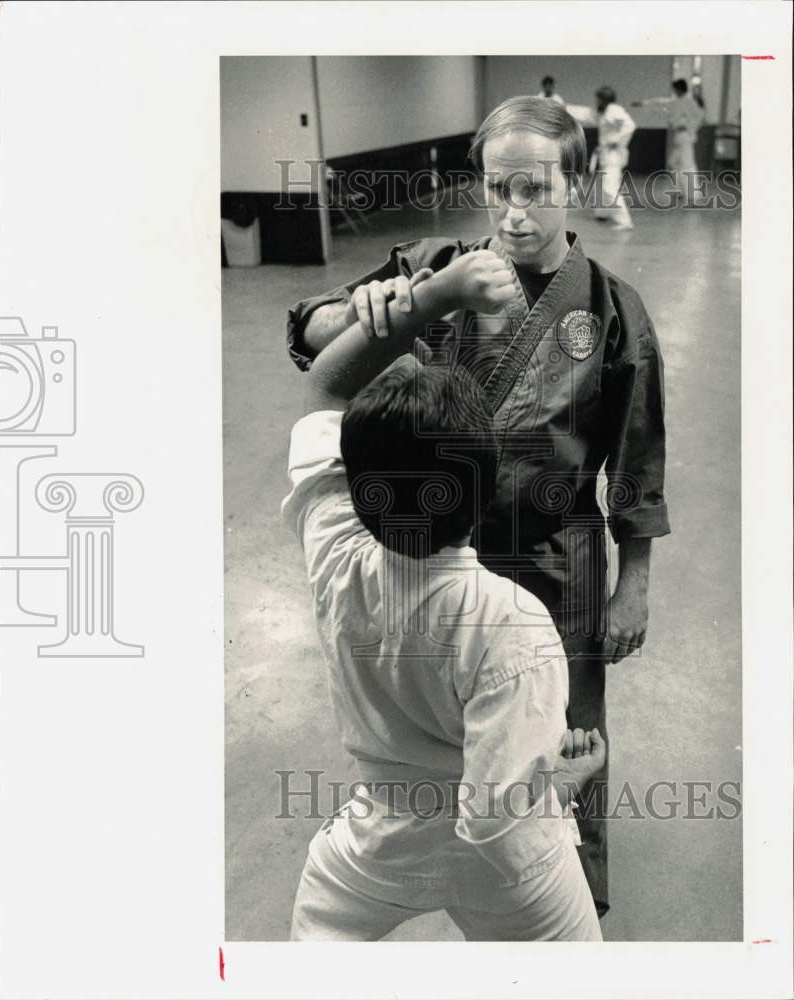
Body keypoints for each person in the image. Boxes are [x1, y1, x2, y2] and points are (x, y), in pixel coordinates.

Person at [286, 95, 671, 918]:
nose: (515, 212)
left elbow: (638, 456)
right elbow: (312, 335)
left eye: (535, 189)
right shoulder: (438, 263)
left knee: (567, 728)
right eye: (499, 190)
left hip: (557, 560)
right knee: (441, 720)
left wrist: (634, 575)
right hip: (436, 552)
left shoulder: (610, 308)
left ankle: (570, 892)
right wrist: (369, 310)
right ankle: (452, 866)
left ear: (574, 184)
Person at [283, 264, 607, 940]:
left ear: (356, 486)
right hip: (502, 872)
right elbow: (497, 824)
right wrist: (567, 781)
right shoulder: (512, 623)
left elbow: (324, 383)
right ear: (486, 491)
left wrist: (426, 298)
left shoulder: (335, 547)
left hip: (377, 841)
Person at [567, 86, 636, 229]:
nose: (596, 102)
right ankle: (602, 213)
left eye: (597, 99)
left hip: (613, 155)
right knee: (599, 186)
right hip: (605, 154)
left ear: (603, 99)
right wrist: (565, 108)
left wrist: (615, 139)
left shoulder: (614, 110)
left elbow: (630, 125)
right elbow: (587, 114)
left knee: (610, 187)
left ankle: (624, 221)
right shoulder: (604, 112)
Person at [632, 79, 706, 203]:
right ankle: (679, 190)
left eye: (674, 89)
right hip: (679, 135)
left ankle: (693, 195)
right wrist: (643, 103)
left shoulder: (690, 102)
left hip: (685, 136)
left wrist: (688, 126)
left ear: (678, 89)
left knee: (687, 164)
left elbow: (700, 116)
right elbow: (660, 103)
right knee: (674, 163)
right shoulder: (677, 102)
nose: (673, 91)